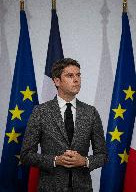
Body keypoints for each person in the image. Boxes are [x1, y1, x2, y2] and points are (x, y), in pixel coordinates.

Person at [20, 58, 107, 192]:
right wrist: (56, 160)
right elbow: (26, 155)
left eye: (78, 75)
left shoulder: (91, 112)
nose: (76, 80)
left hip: (82, 188)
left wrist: (84, 161)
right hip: (50, 188)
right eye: (70, 75)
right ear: (57, 81)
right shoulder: (41, 112)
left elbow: (102, 155)